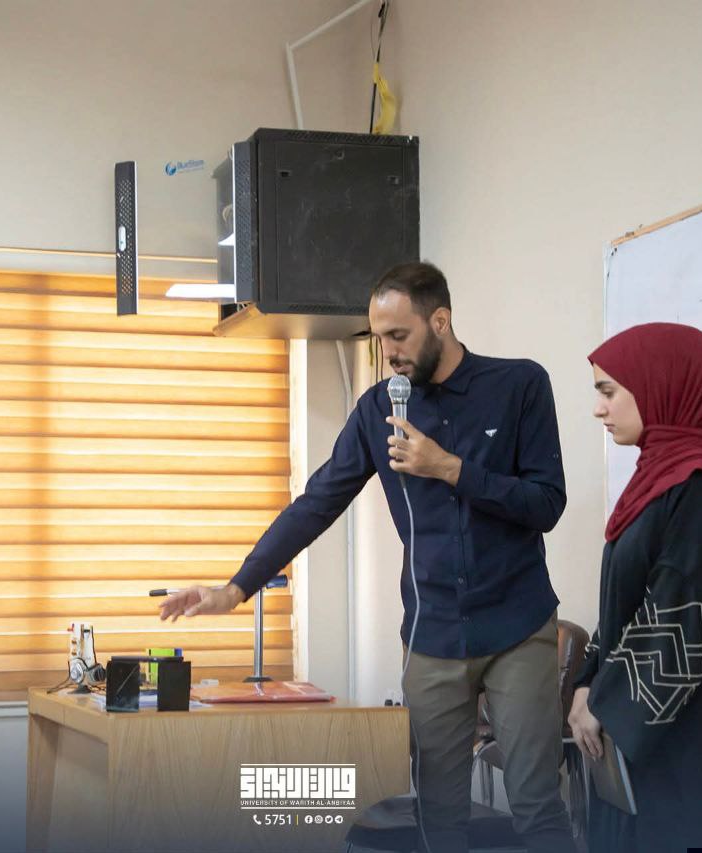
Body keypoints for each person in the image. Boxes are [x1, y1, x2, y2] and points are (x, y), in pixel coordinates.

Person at [160, 261, 575, 853]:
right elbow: (317, 502)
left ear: (440, 321)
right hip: (431, 634)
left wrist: (449, 468)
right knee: (439, 815)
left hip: (517, 626)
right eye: (379, 338)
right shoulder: (379, 408)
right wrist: (236, 588)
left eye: (398, 336)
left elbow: (546, 504)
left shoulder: (519, 385)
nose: (387, 354)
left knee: (537, 807)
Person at [569, 322, 702, 853]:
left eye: (609, 391)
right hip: (650, 732)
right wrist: (587, 683)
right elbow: (625, 604)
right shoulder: (658, 477)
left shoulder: (700, 486)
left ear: (659, 386)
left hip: (691, 745)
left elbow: (683, 618)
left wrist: (607, 703)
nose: (599, 409)